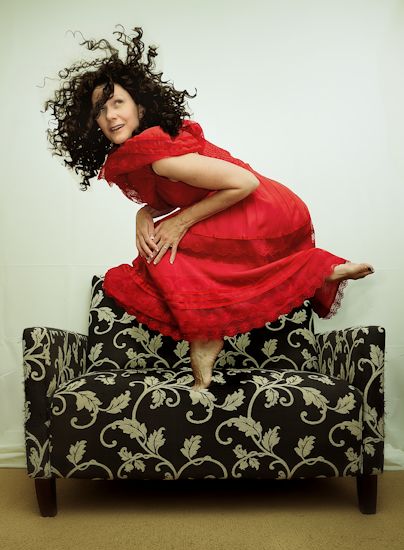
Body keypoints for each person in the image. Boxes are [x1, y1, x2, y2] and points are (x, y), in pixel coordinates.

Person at [45, 27, 374, 391]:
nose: (110, 116)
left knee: (163, 252)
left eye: (117, 103)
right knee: (168, 249)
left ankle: (212, 333)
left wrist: (180, 223)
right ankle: (317, 273)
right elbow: (173, 196)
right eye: (100, 110)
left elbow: (245, 183)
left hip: (264, 207)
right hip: (247, 205)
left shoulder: (162, 157)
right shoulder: (143, 153)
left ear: (140, 107)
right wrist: (144, 214)